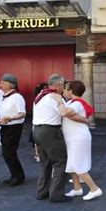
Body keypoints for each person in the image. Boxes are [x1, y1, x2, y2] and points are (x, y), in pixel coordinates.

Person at [33, 74, 82, 202]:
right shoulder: (55, 97)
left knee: (45, 163)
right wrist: (83, 119)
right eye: (63, 84)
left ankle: (42, 191)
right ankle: (56, 194)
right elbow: (64, 113)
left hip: (37, 130)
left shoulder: (40, 95)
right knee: (61, 161)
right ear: (59, 84)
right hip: (50, 131)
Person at [56, 81, 103, 201]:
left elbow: (64, 113)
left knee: (78, 165)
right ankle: (77, 189)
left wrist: (59, 101)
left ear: (71, 91)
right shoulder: (73, 102)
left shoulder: (76, 103)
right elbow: (71, 116)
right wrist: (84, 120)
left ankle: (94, 189)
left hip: (78, 138)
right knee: (72, 164)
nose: (64, 91)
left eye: (66, 89)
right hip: (73, 138)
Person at [0, 73, 26, 186]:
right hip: (5, 126)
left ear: (10, 85)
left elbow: (22, 113)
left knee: (9, 152)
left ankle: (18, 176)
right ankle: (15, 174)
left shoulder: (17, 97)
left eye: (3, 83)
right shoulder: (4, 97)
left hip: (13, 127)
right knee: (7, 153)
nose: (0, 85)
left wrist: (10, 118)